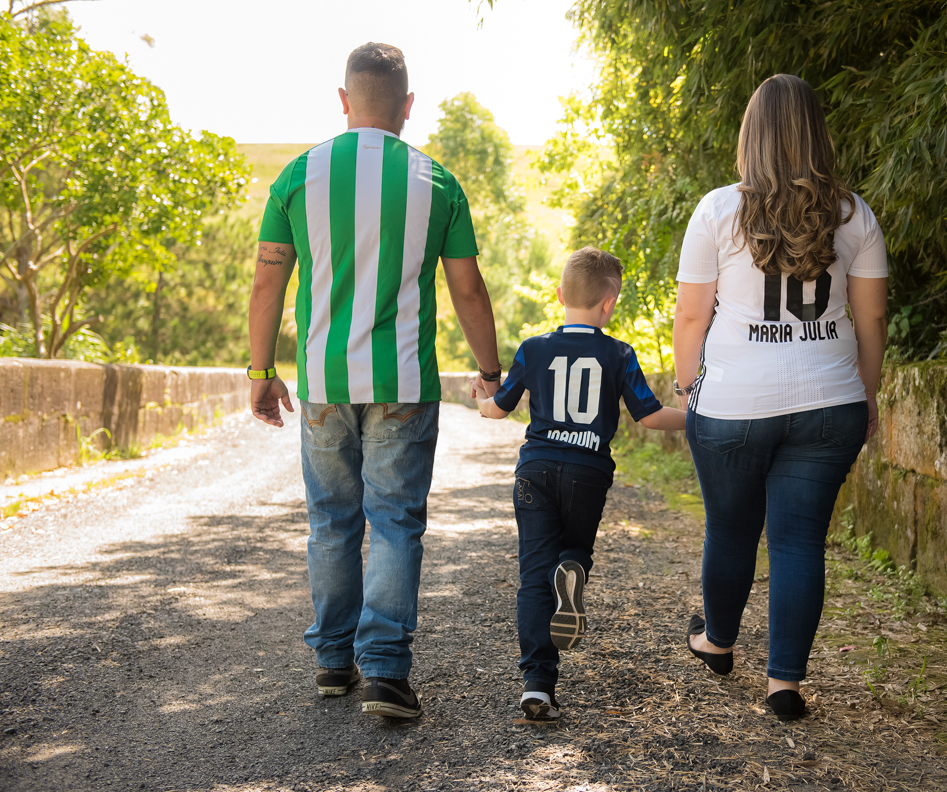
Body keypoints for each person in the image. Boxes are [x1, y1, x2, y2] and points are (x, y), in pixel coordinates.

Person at [247, 42, 502, 720]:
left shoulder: (298, 177)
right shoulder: (437, 183)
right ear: (408, 107)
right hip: (404, 384)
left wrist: (260, 370)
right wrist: (488, 370)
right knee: (392, 523)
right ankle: (385, 674)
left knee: (331, 522)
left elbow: (267, 280)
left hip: (324, 384)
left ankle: (334, 662)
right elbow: (469, 290)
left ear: (344, 101)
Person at [671, 74, 888, 721]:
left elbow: (690, 319)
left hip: (734, 402)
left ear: (750, 135)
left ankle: (717, 642)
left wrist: (690, 390)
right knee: (798, 541)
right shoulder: (854, 215)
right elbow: (872, 322)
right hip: (830, 403)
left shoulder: (716, 211)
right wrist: (867, 395)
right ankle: (785, 684)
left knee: (731, 530)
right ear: (816, 133)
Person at [472, 247, 687, 722]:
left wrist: (483, 400)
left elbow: (500, 408)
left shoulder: (533, 348)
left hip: (536, 470)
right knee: (574, 551)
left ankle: (538, 686)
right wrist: (698, 420)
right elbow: (650, 416)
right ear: (609, 304)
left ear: (559, 294)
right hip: (588, 472)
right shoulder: (619, 353)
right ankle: (572, 566)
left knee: (533, 576)